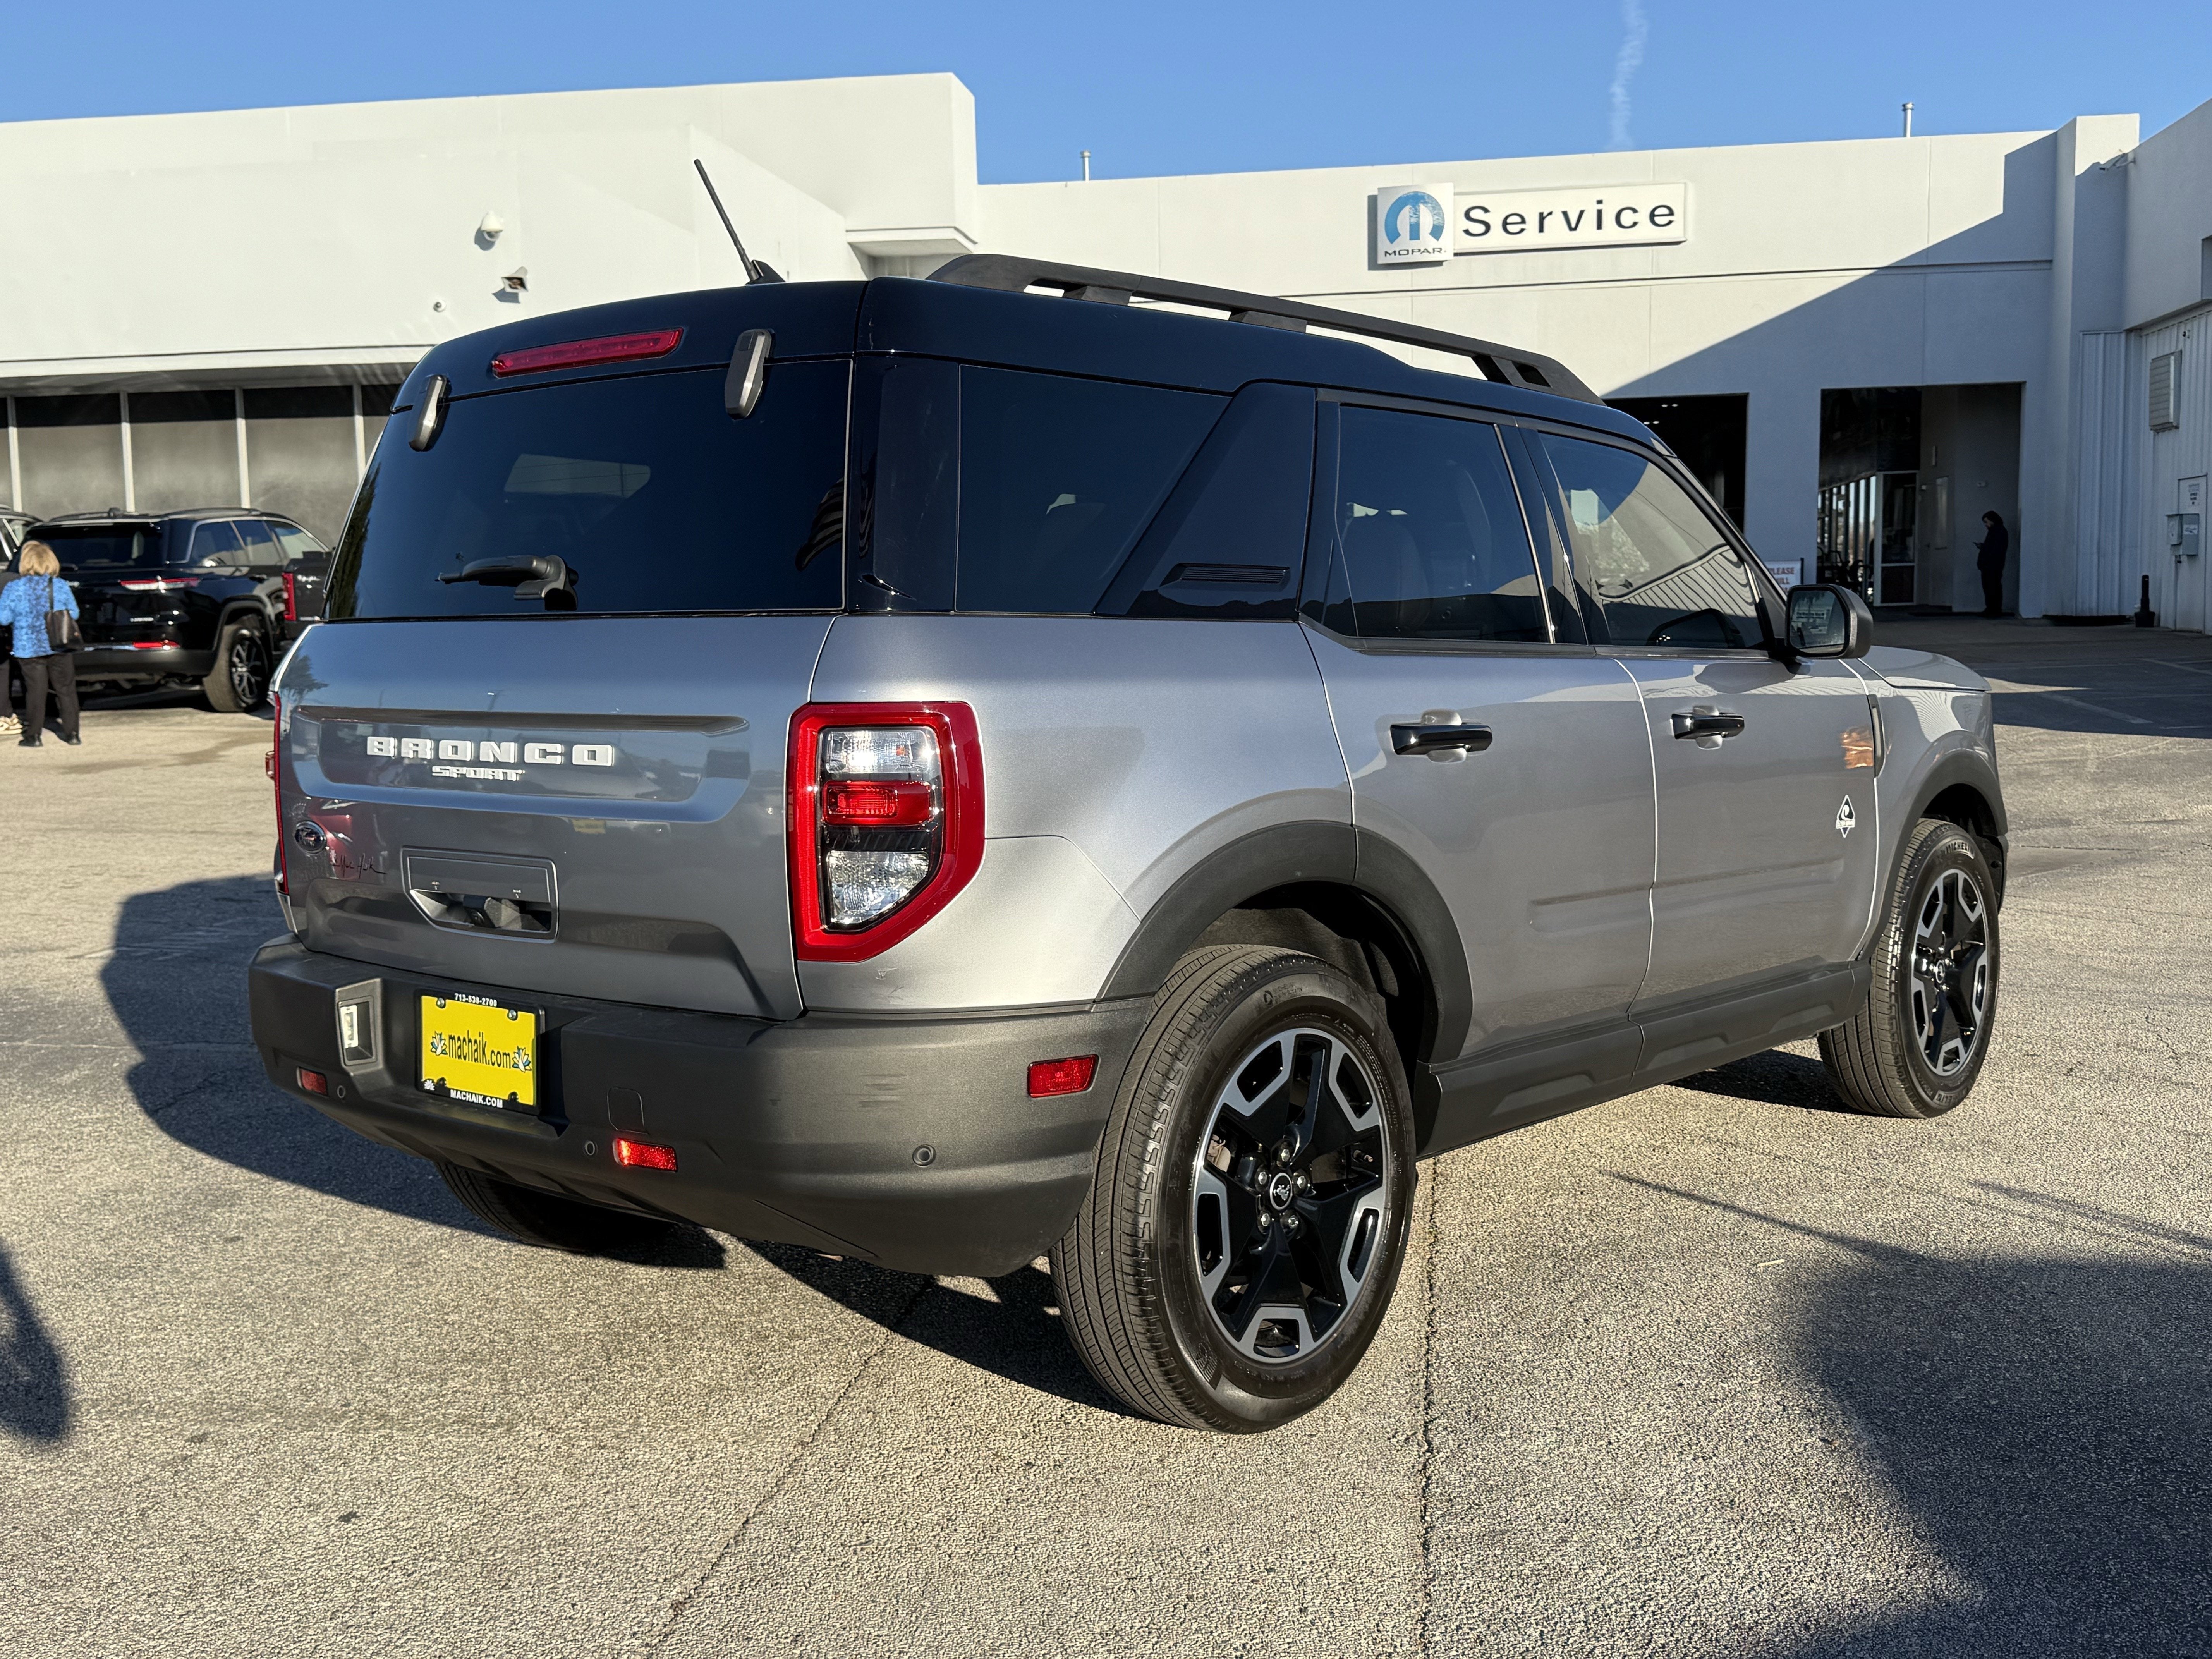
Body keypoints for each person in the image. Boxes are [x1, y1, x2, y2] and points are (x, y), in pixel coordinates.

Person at [1, 541, 82, 747]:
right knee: (66, 690)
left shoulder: (15, 587)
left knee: (36, 692)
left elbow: (3, 618)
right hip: (59, 644)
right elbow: (75, 613)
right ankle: (73, 734)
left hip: (28, 649)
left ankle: (34, 736)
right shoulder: (60, 585)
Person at [1974, 510, 2010, 618]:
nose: (1986, 525)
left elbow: (1995, 549)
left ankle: (1993, 610)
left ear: (1992, 520)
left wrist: (1984, 548)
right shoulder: (1998, 531)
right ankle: (1992, 609)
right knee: (1991, 587)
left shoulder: (1998, 532)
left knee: (1992, 587)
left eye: (1987, 522)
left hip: (1992, 565)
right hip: (1992, 565)